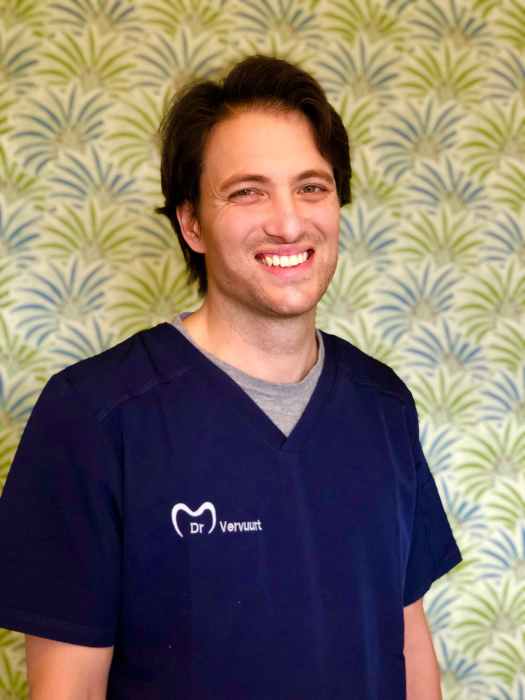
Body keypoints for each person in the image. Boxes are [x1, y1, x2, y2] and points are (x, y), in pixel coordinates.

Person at [0, 55, 462, 699]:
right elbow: (67, 689)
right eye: (248, 191)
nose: (289, 222)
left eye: (312, 187)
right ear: (191, 222)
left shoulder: (383, 404)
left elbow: (407, 636)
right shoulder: (94, 416)